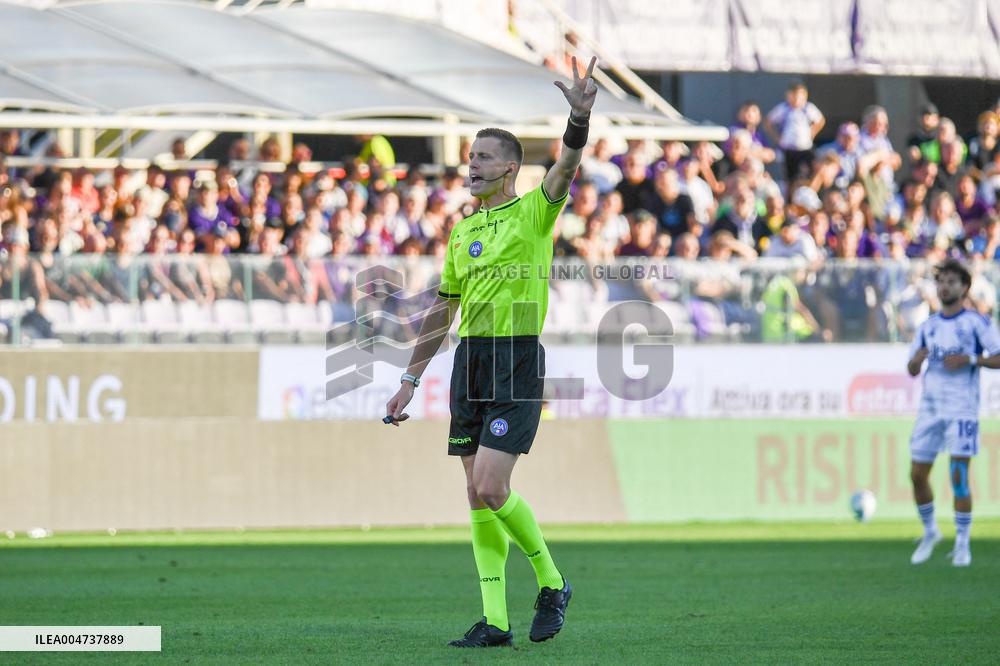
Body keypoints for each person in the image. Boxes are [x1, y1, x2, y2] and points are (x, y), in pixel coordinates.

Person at [384, 56, 598, 648]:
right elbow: (442, 309)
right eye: (469, 157)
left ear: (509, 167)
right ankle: (496, 620)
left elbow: (568, 166)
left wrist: (577, 119)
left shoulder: (535, 211)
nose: (470, 165)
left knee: (492, 485)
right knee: (475, 492)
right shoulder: (462, 231)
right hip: (470, 361)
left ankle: (553, 582)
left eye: (481, 157)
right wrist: (408, 378)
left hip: (515, 360)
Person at [906, 259, 1000, 567]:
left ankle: (962, 543)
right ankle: (931, 531)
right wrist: (917, 361)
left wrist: (971, 360)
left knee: (958, 477)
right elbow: (911, 369)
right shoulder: (927, 327)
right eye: (941, 281)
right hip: (930, 410)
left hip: (962, 410)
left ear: (964, 288)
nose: (944, 286)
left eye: (951, 282)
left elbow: (998, 357)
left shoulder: (976, 323)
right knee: (917, 475)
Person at [764, 80, 825, 183]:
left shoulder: (808, 108)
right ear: (788, 95)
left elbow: (820, 121)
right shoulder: (783, 109)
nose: (796, 99)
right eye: (794, 95)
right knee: (790, 176)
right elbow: (768, 121)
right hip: (788, 149)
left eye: (800, 96)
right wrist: (777, 138)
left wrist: (812, 133)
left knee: (810, 172)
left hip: (805, 147)